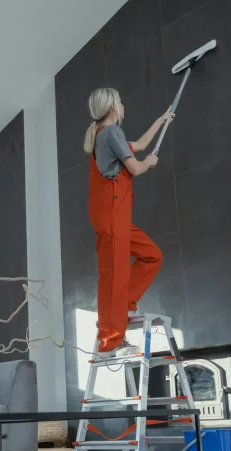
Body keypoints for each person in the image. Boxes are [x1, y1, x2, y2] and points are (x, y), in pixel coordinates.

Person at [83, 87, 174, 356]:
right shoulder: (111, 132)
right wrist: (148, 163)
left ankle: (125, 304)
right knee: (114, 274)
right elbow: (135, 167)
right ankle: (111, 341)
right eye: (121, 102)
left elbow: (141, 145)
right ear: (113, 106)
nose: (124, 105)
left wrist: (161, 121)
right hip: (112, 213)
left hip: (116, 215)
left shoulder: (107, 136)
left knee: (151, 255)